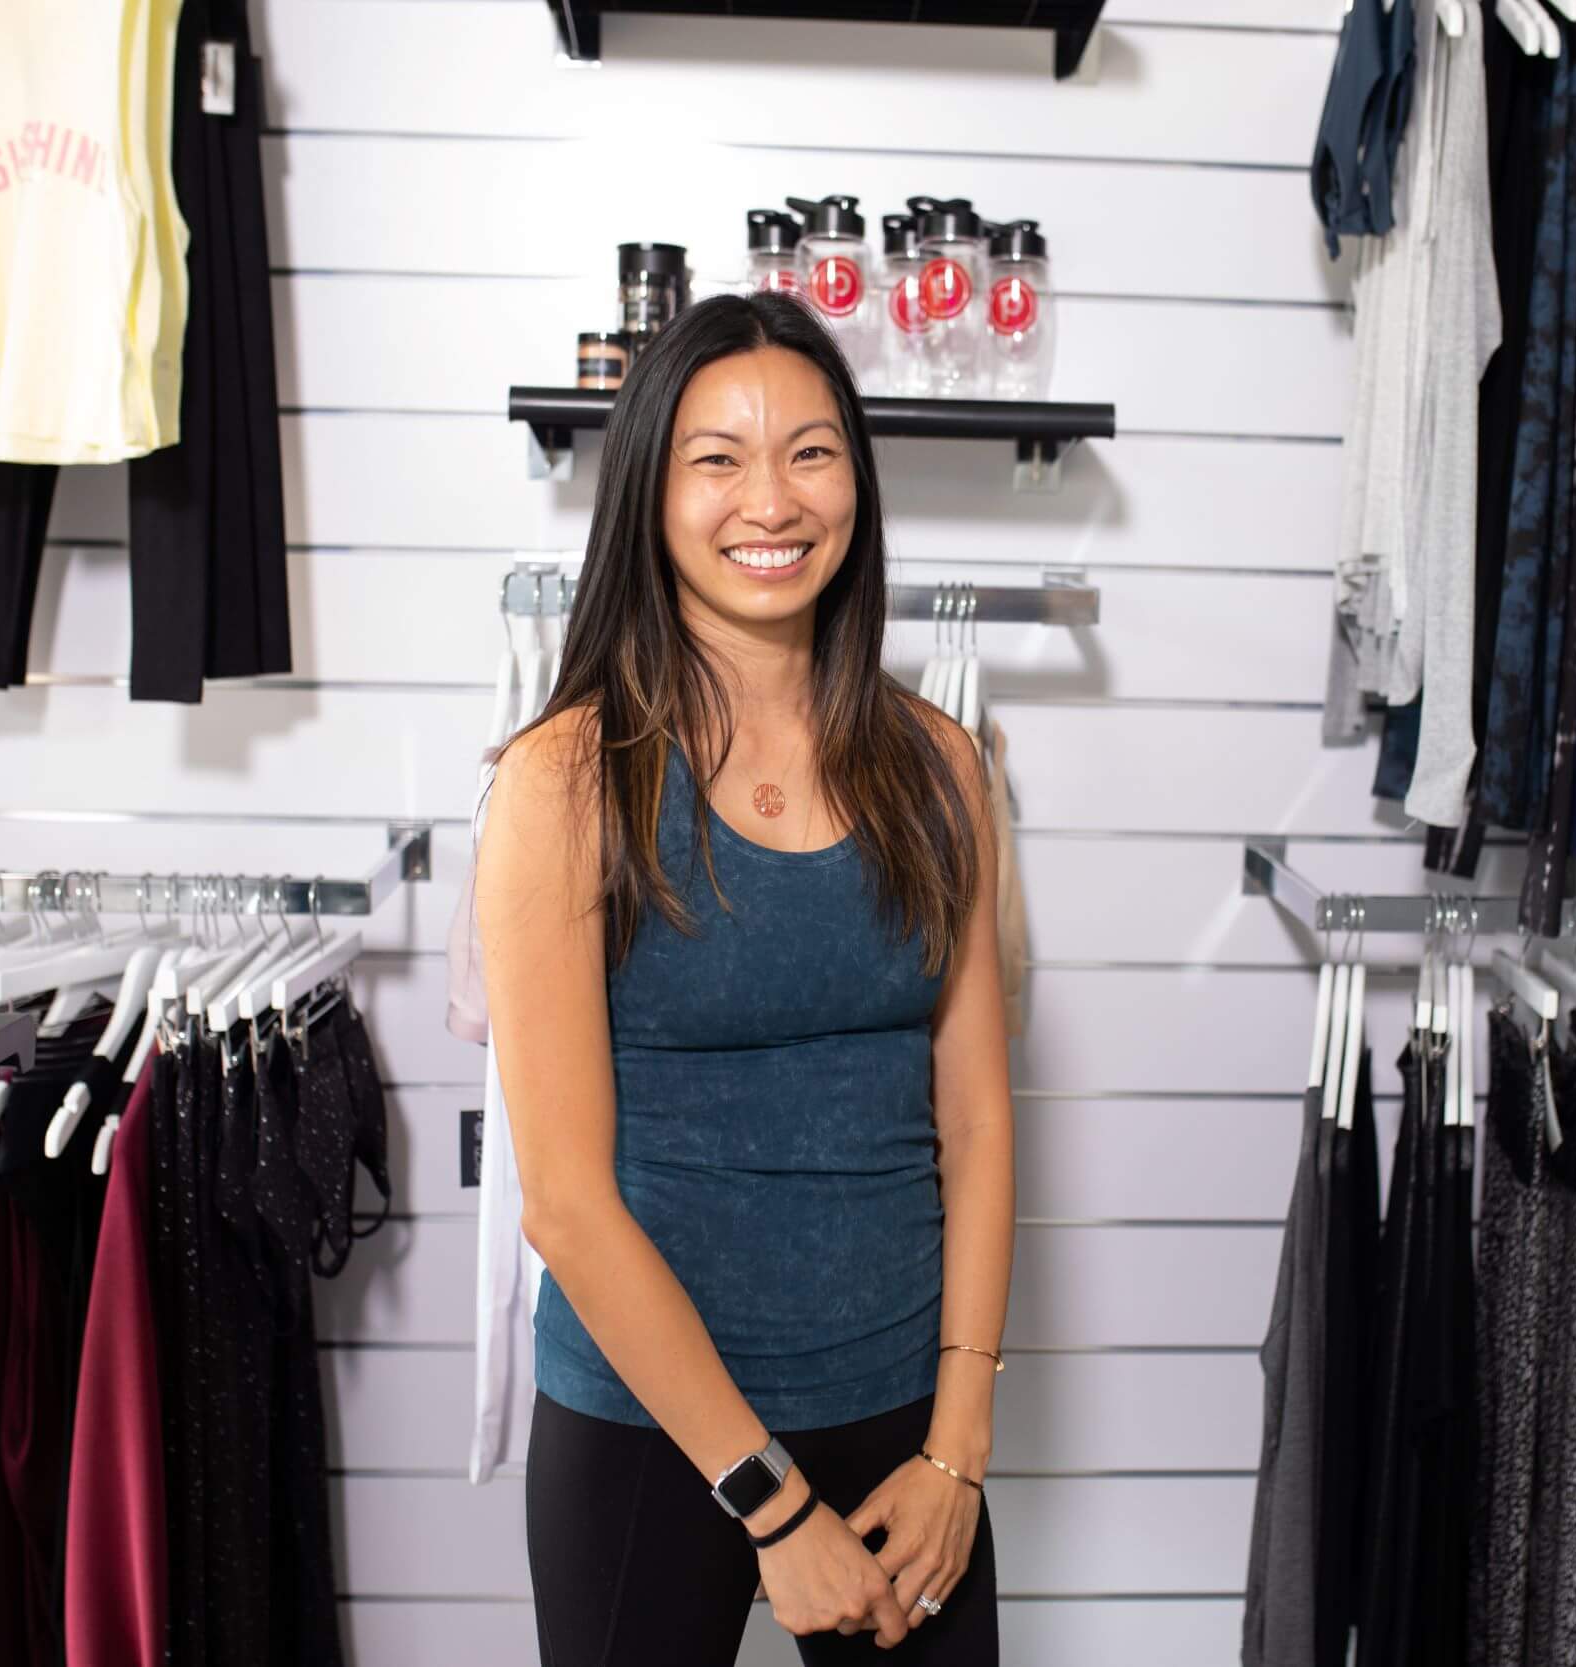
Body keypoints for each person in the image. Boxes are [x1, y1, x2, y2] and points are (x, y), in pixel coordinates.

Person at [475, 290, 1015, 1664]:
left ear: (857, 484)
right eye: (717, 457)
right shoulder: (565, 784)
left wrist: (959, 1447)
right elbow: (566, 1206)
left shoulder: (944, 768)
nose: (769, 498)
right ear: (651, 492)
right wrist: (772, 1504)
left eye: (812, 451)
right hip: (652, 1440)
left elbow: (978, 1123)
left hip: (905, 1433)